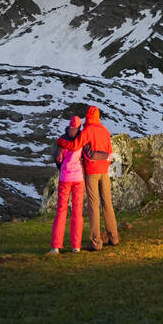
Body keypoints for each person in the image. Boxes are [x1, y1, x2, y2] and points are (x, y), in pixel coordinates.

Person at [60, 104, 120, 250]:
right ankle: (114, 237)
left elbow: (75, 146)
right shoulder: (105, 131)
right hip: (104, 170)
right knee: (107, 203)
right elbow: (110, 152)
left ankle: (96, 242)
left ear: (87, 116)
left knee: (93, 206)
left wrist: (61, 142)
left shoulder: (86, 131)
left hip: (92, 171)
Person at [49, 116, 85, 254]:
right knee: (77, 211)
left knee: (61, 211)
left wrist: (63, 167)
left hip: (64, 178)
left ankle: (55, 246)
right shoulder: (81, 139)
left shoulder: (62, 140)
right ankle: (76, 246)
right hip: (78, 178)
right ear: (79, 127)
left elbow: (57, 160)